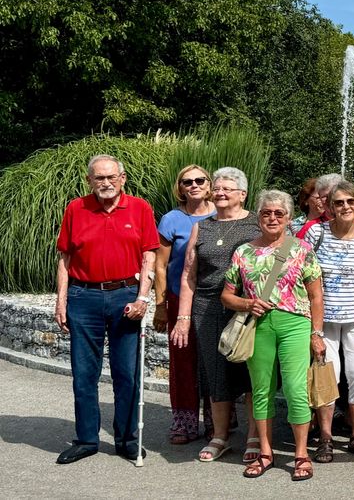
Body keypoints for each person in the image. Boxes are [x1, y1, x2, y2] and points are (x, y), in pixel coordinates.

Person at [54, 155, 159, 465]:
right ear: (90, 181)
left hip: (125, 294)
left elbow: (149, 257)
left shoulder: (140, 208)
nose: (106, 183)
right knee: (84, 374)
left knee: (126, 373)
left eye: (111, 177)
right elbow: (65, 259)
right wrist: (61, 301)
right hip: (83, 297)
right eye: (99, 178)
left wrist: (143, 299)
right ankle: (86, 439)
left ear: (122, 178)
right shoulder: (76, 208)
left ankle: (127, 439)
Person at [221, 190, 324, 481]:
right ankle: (266, 452)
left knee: (295, 389)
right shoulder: (243, 252)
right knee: (261, 389)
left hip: (295, 325)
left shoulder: (302, 249)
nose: (273, 217)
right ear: (258, 216)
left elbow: (316, 296)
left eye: (279, 213)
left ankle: (301, 453)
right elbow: (226, 296)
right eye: (267, 212)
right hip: (259, 326)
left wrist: (317, 333)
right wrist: (247, 303)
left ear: (288, 218)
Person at [178, 167, 261, 463]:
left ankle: (254, 435)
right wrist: (183, 317)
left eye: (228, 188)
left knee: (252, 372)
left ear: (243, 193)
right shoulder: (204, 226)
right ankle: (220, 436)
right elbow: (189, 273)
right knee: (215, 374)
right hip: (207, 307)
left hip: (248, 308)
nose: (221, 193)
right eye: (218, 188)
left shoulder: (257, 224)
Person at [304, 181, 354, 462]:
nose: (345, 207)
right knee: (327, 377)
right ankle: (325, 437)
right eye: (339, 203)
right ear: (329, 207)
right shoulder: (317, 233)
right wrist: (312, 328)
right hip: (324, 319)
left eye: (351, 201)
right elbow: (302, 272)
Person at [153, 164, 215, 445]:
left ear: (209, 184)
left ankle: (218, 421)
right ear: (180, 188)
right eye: (187, 181)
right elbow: (161, 265)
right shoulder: (171, 220)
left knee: (215, 362)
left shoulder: (222, 214)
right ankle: (185, 422)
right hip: (180, 298)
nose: (194, 185)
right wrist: (161, 304)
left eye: (200, 180)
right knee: (183, 361)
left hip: (216, 298)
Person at [296, 173, 354, 238]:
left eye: (333, 195)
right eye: (324, 196)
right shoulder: (310, 228)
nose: (330, 199)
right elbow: (295, 253)